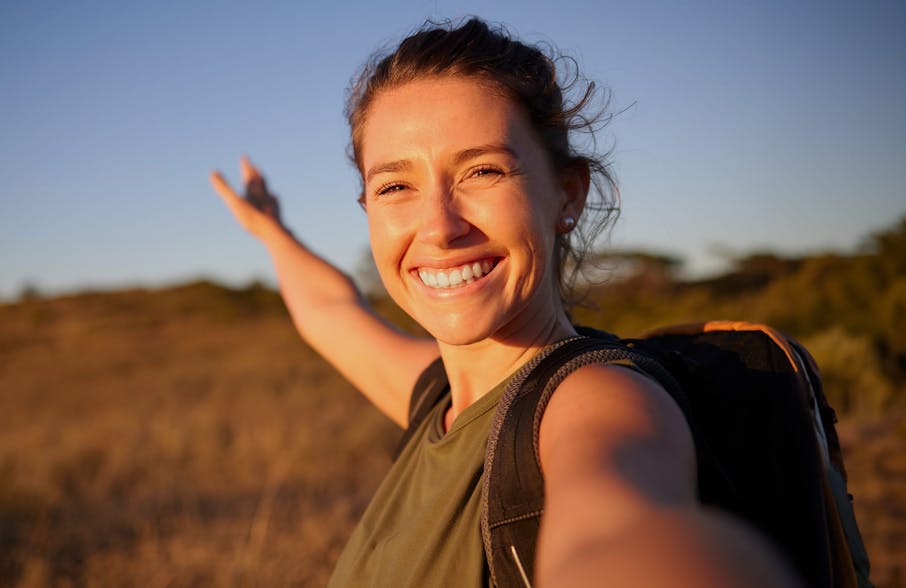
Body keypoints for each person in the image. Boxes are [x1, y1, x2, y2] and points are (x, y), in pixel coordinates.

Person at [210, 17, 801, 588]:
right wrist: (270, 232)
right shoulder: (439, 397)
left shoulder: (594, 401)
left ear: (566, 195)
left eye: (483, 171)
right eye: (395, 186)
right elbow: (330, 314)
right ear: (368, 207)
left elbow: (619, 532)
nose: (439, 227)